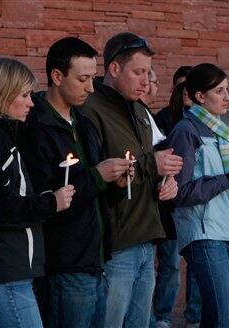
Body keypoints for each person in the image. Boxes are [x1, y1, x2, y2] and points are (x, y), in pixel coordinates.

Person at [0, 57, 75, 328]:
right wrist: (50, 203)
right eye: (25, 95)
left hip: (5, 268)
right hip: (3, 269)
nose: (31, 102)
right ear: (3, 94)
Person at [23, 36, 133, 328]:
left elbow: (95, 189)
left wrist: (116, 183)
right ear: (57, 76)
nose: (90, 87)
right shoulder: (35, 128)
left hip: (96, 258)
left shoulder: (83, 122)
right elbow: (45, 196)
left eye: (93, 78)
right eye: (82, 79)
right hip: (65, 261)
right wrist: (98, 175)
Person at [79, 32, 182, 328]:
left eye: (148, 74)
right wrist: (152, 164)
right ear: (113, 69)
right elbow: (98, 175)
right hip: (116, 244)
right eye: (138, 72)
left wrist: (166, 183)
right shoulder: (90, 110)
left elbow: (149, 165)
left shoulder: (140, 109)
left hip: (147, 238)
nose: (146, 82)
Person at [167, 63, 229, 327]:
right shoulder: (186, 131)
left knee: (214, 317)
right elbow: (180, 193)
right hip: (205, 235)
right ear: (199, 96)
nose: (228, 97)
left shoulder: (223, 132)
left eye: (227, 90)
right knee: (226, 320)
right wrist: (227, 180)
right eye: (220, 91)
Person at [151, 66, 201, 328]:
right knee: (169, 264)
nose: (187, 93)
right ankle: (162, 315)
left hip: (192, 203)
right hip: (169, 206)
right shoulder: (163, 119)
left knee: (194, 264)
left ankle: (194, 314)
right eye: (182, 87)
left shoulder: (202, 122)